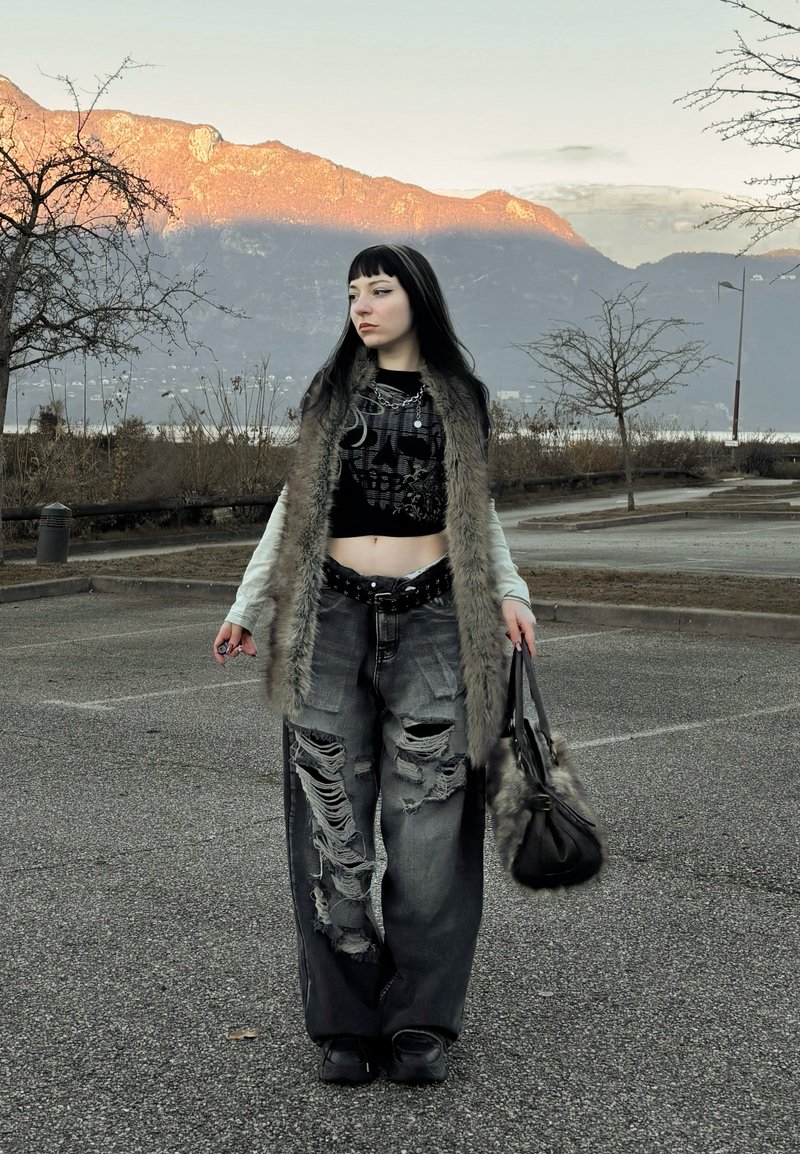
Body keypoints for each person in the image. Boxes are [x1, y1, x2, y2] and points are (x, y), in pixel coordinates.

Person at [213, 244, 535, 1085]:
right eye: (353, 291)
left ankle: (421, 1020)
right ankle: (344, 1023)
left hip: (435, 617)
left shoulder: (461, 399)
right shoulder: (332, 395)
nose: (362, 304)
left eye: (380, 289)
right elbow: (295, 508)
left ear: (416, 298)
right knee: (333, 828)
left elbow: (478, 508)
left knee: (428, 829)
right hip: (328, 619)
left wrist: (512, 592)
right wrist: (249, 606)